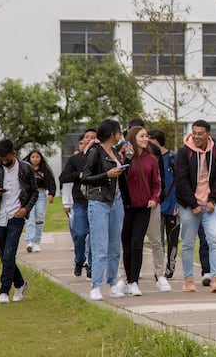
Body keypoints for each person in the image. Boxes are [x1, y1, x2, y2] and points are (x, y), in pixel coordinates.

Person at [0, 139, 39, 303]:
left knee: (9, 254)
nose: (4, 162)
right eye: (1, 159)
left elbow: (34, 192)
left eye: (6, 159)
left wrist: (26, 209)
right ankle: (20, 283)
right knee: (3, 254)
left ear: (14, 154)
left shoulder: (26, 169)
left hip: (17, 216)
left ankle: (4, 290)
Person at [175, 119, 216, 293]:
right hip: (189, 205)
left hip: (210, 205)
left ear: (208, 134)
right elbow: (181, 180)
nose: (196, 137)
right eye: (194, 133)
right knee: (188, 243)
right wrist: (193, 203)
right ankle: (188, 280)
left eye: (200, 134)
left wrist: (212, 200)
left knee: (215, 239)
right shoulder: (184, 152)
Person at [82, 118, 128, 301]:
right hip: (99, 201)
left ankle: (112, 282)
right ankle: (96, 285)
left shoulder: (115, 152)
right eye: (118, 132)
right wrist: (106, 175)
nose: (120, 135)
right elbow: (85, 177)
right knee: (100, 246)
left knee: (115, 246)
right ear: (112, 134)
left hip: (116, 200)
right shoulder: (95, 152)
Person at [119, 126, 163, 296]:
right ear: (132, 138)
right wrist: (127, 159)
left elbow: (157, 184)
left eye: (146, 136)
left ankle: (134, 282)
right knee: (126, 244)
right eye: (142, 136)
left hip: (144, 208)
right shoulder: (123, 158)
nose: (146, 139)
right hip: (125, 207)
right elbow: (120, 178)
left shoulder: (151, 159)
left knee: (137, 243)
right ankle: (126, 279)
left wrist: (154, 198)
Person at [59, 128, 96, 278]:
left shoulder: (101, 157)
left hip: (97, 202)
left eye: (93, 137)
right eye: (87, 137)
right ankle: (79, 259)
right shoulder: (75, 159)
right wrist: (78, 175)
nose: (89, 140)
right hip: (80, 202)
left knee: (94, 237)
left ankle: (92, 267)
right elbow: (63, 178)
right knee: (79, 234)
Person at [148, 128, 180, 281]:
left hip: (173, 205)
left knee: (172, 239)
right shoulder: (150, 159)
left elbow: (180, 182)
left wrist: (178, 203)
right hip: (157, 205)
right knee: (157, 239)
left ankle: (170, 267)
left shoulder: (173, 158)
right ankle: (159, 269)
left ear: (155, 141)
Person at [198, 143, 216, 287]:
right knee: (204, 238)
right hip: (199, 206)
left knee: (215, 239)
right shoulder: (197, 162)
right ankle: (206, 271)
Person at [23, 149, 56, 253]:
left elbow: (51, 182)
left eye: (37, 157)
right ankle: (29, 241)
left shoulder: (44, 170)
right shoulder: (26, 169)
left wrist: (51, 194)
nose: (35, 159)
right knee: (30, 218)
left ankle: (37, 242)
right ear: (29, 158)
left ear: (41, 158)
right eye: (33, 157)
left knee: (39, 219)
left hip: (41, 195)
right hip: (29, 195)